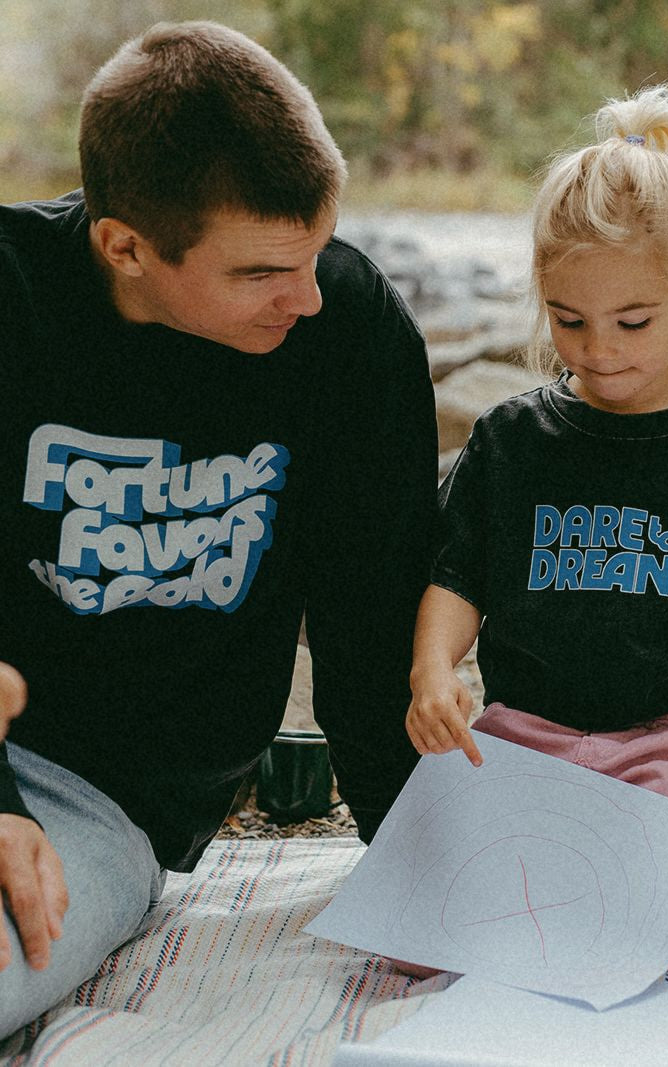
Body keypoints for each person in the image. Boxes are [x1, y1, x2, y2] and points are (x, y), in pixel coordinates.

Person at [0, 20, 437, 1041]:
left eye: (318, 251)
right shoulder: (14, 303)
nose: (308, 294)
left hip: (92, 794)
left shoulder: (347, 335)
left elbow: (370, 644)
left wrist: (427, 876)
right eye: (259, 273)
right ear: (127, 248)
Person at [405, 84, 668, 970]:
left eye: (631, 321)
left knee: (634, 928)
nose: (598, 348)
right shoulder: (510, 436)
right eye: (568, 321)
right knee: (429, 929)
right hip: (530, 732)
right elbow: (458, 576)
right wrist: (432, 668)